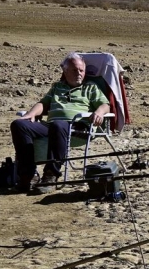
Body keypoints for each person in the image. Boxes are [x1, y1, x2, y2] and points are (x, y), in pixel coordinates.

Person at [10, 52, 110, 194]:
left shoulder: (90, 87)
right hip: (53, 126)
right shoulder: (57, 87)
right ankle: (28, 175)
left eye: (81, 70)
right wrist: (30, 114)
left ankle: (51, 175)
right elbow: (43, 104)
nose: (79, 74)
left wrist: (99, 112)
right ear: (65, 71)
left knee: (58, 125)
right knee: (19, 125)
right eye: (75, 70)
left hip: (78, 128)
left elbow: (105, 105)